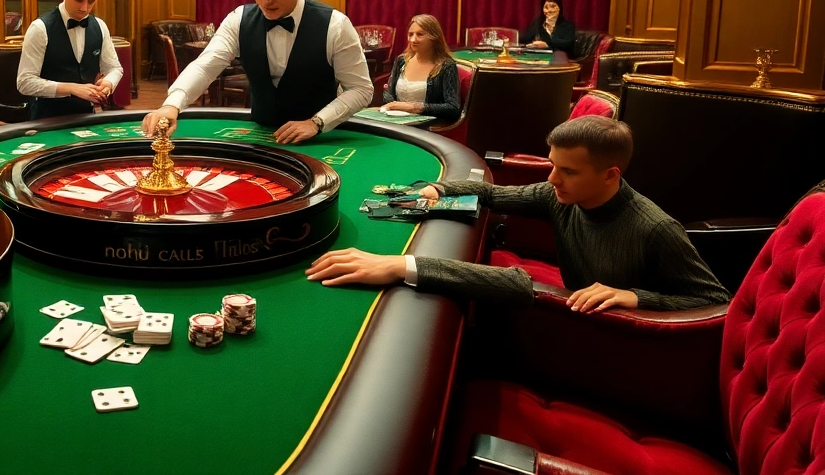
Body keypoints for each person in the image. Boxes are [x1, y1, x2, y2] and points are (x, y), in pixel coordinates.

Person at [306, 117, 730, 312]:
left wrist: (636, 297)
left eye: (567, 170)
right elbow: (493, 194)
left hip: (607, 343)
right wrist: (442, 188)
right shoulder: (558, 194)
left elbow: (715, 303)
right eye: (551, 164)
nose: (553, 178)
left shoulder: (654, 228)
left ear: (610, 175)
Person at [141, 0, 373, 144]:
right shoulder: (238, 20)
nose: (266, 1)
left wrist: (316, 122)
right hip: (261, 137)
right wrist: (172, 105)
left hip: (323, 139)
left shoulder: (335, 24)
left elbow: (361, 89)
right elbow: (205, 65)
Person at [17, 0, 123, 119]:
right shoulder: (40, 28)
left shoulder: (100, 26)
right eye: (79, 0)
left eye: (91, 1)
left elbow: (115, 68)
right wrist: (71, 88)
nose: (85, 8)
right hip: (46, 121)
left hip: (86, 117)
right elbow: (24, 82)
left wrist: (108, 83)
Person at [379, 14, 460, 124]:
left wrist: (413, 107)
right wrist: (391, 106)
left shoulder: (446, 66)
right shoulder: (401, 61)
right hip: (396, 123)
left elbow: (452, 108)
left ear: (434, 37)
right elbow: (389, 94)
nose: (413, 39)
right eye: (410, 34)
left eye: (420, 34)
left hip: (426, 129)